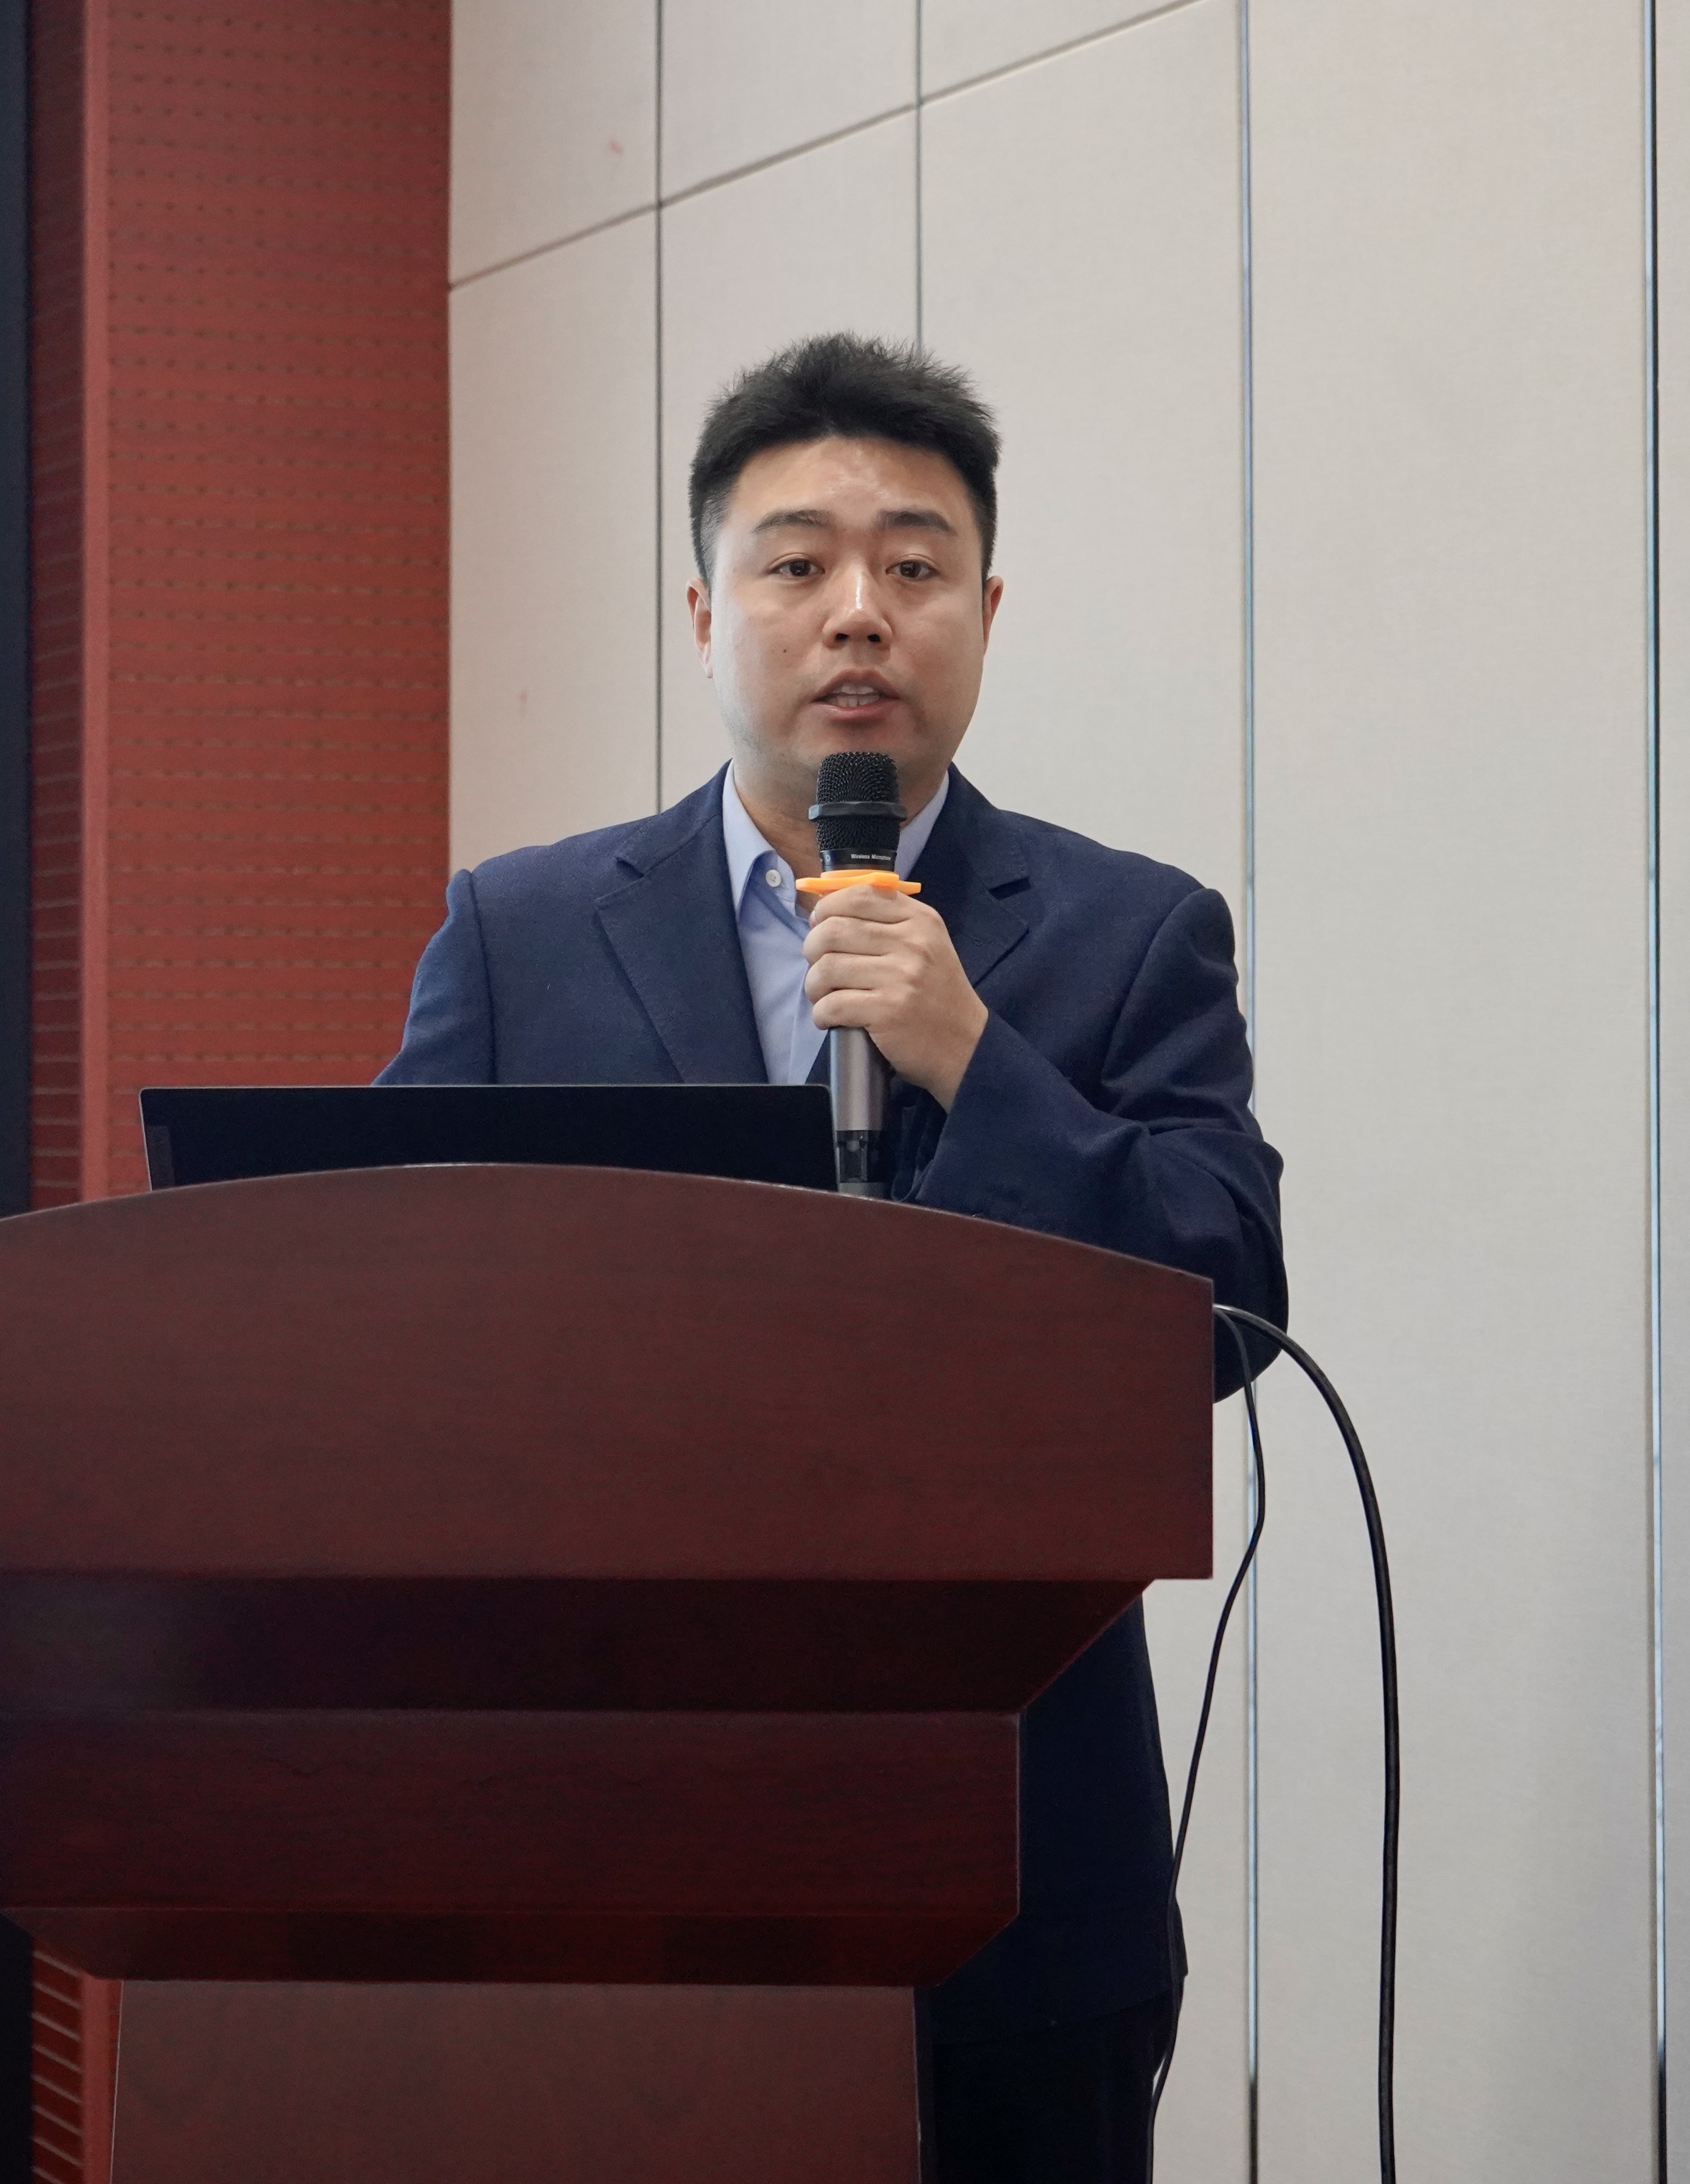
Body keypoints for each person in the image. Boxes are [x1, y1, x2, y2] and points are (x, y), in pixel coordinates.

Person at [379, 333, 1286, 2183]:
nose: (860, 610)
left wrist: (976, 1059)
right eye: (798, 562)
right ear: (704, 610)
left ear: (986, 611)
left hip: (1018, 1863)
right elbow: (381, 1317)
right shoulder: (520, 933)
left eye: (916, 564)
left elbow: (1230, 1303)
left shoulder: (1129, 935)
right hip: (594, 1841)